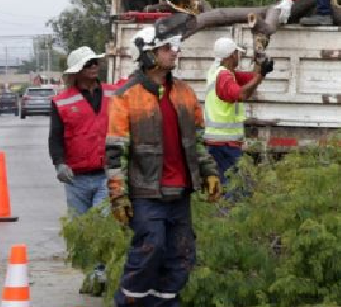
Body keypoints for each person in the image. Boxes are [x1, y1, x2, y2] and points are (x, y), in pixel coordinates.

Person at [106, 20, 221, 306]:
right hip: (147, 193)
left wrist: (209, 172)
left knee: (181, 255)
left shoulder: (184, 93)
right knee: (149, 249)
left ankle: (165, 302)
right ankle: (130, 302)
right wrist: (118, 195)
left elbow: (197, 141)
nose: (175, 52)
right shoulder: (126, 98)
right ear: (148, 54)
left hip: (179, 191)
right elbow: (115, 152)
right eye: (167, 47)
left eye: (175, 46)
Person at [49, 46, 123, 217]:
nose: (94, 66)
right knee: (79, 229)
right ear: (77, 70)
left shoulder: (114, 93)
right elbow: (55, 137)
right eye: (88, 64)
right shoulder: (61, 102)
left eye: (95, 62)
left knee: (100, 222)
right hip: (76, 179)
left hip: (107, 174)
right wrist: (59, 163)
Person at [203, 37, 272, 185]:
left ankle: (224, 207)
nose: (239, 56)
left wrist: (261, 68)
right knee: (240, 185)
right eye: (237, 53)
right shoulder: (224, 76)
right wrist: (260, 75)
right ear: (231, 55)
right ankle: (228, 208)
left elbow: (250, 78)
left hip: (220, 141)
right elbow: (242, 94)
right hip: (224, 143)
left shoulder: (220, 71)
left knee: (229, 183)